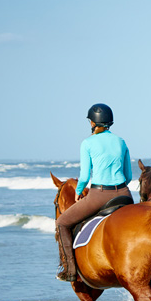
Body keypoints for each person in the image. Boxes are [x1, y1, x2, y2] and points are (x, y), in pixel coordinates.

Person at [55, 103, 133, 282]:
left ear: (93, 123)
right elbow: (128, 175)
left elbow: (84, 176)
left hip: (100, 195)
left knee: (62, 223)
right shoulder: (121, 141)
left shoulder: (88, 143)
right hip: (125, 194)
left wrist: (80, 191)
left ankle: (70, 271)